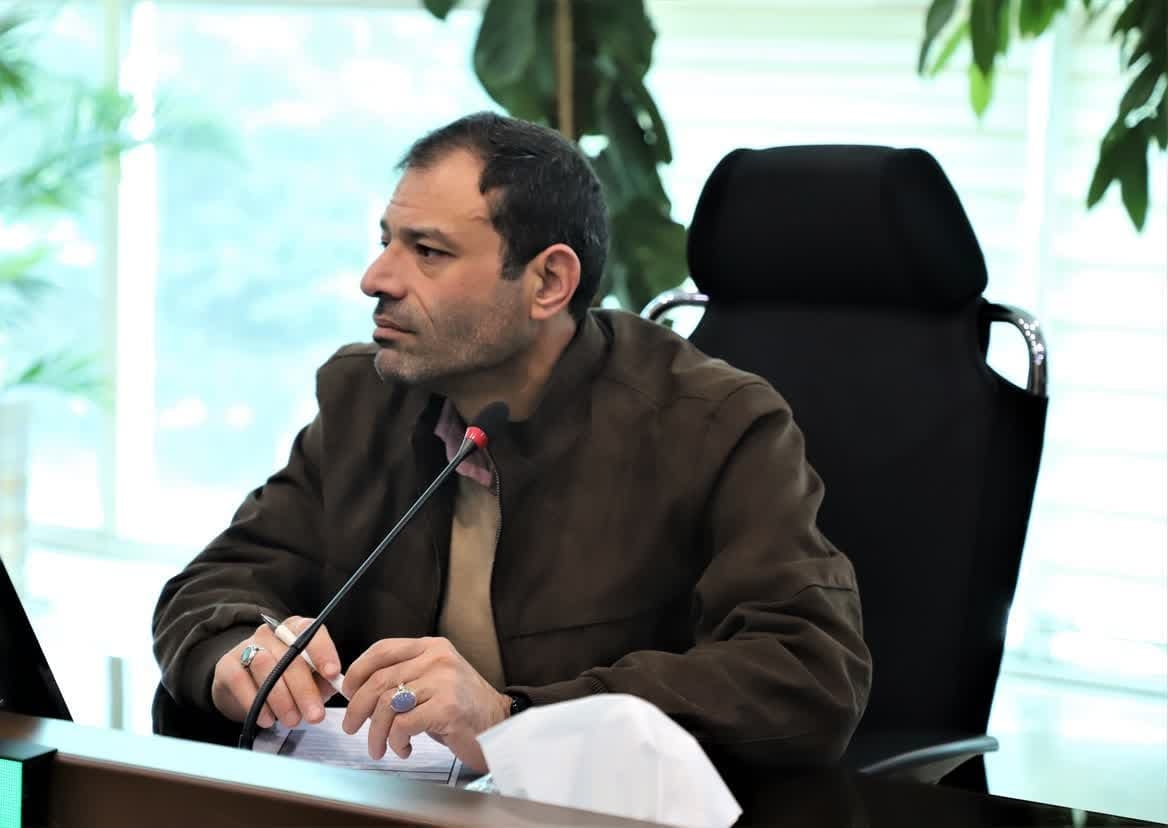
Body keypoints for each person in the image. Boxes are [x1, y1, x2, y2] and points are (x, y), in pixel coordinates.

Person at [151, 111, 871, 774]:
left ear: (549, 281)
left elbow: (807, 671)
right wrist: (237, 650)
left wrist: (514, 721)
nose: (376, 279)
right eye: (385, 242)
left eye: (428, 251)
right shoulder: (366, 400)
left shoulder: (712, 423)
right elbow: (219, 581)